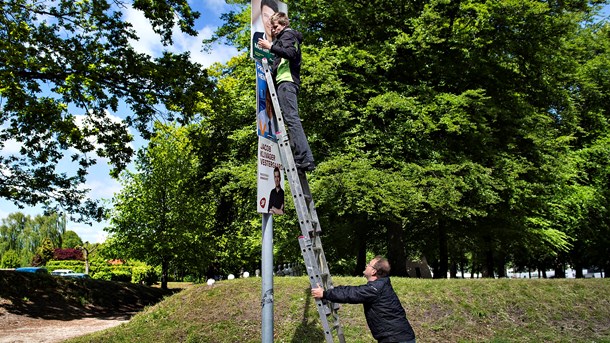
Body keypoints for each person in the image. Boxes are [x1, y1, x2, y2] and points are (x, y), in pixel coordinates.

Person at [257, 12, 315, 172]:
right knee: (291, 119)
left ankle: (303, 158)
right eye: (272, 27)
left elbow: (290, 54)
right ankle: (304, 159)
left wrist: (270, 47)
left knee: (292, 120)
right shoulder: (286, 38)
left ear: (283, 24)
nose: (274, 30)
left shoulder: (288, 35)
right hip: (286, 81)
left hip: (287, 82)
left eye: (276, 27)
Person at [311, 256, 416, 343]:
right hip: (397, 337)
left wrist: (324, 293)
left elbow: (352, 293)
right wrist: (333, 295)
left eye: (369, 264)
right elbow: (353, 291)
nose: (366, 265)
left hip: (397, 339)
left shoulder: (375, 289)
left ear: (374, 271)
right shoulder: (380, 285)